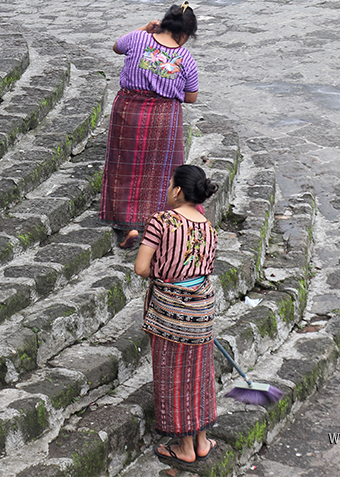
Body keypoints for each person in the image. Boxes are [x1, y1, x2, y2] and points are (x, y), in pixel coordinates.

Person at [134, 165, 219, 465]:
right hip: (202, 312)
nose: (168, 189)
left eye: (170, 184)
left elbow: (141, 268)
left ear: (178, 190)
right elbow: (204, 269)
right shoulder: (208, 228)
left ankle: (184, 447)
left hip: (170, 314)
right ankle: (202, 441)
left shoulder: (161, 222)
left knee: (174, 374)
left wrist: (163, 270)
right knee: (200, 374)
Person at [99, 2, 199, 249]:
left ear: (163, 22)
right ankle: (156, 224)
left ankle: (128, 226)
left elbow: (116, 46)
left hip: (129, 110)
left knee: (124, 165)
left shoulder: (137, 39)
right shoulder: (185, 58)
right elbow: (191, 97)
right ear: (186, 34)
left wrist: (145, 28)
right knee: (160, 171)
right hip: (164, 117)